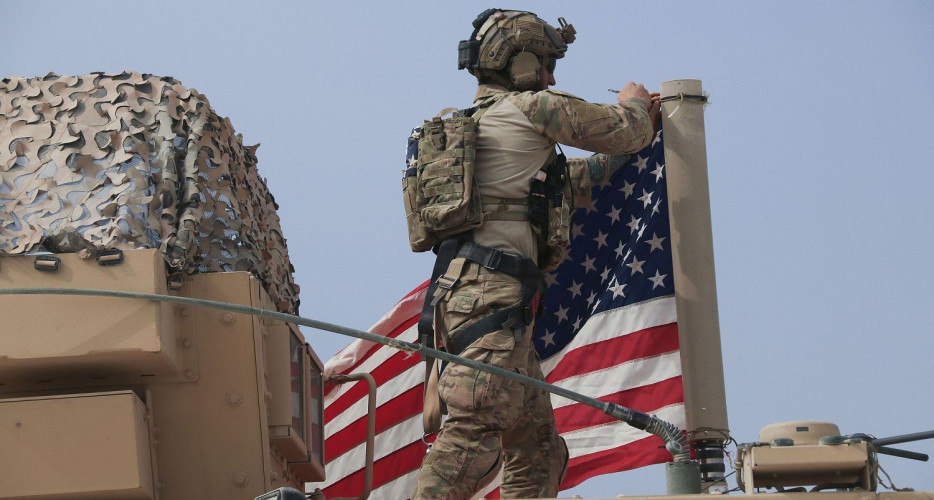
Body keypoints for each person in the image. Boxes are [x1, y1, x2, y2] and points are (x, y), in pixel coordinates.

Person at [412, 8, 661, 499]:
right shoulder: (531, 108)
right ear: (520, 62)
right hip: (492, 296)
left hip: (484, 297)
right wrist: (635, 105)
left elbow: (566, 184)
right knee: (473, 433)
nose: (551, 78)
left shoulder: (484, 126)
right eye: (546, 65)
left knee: (539, 449)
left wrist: (615, 160)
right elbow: (627, 130)